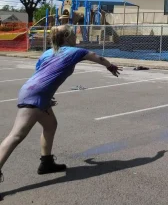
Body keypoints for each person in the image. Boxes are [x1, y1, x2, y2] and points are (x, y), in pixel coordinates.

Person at [0, 25, 121, 199]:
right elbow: (97, 57)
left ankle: (46, 163)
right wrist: (110, 66)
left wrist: (47, 97)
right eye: (73, 35)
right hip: (35, 95)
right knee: (16, 136)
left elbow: (41, 74)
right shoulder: (74, 51)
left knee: (51, 125)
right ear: (67, 37)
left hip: (34, 92)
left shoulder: (47, 53)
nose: (76, 38)